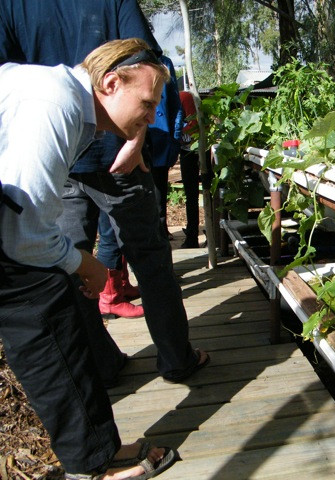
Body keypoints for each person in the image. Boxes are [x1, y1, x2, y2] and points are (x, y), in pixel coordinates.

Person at [0, 0, 210, 382]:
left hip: (54, 153)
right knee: (149, 256)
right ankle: (177, 358)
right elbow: (150, 65)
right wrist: (137, 136)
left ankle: (102, 363)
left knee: (68, 261)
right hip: (108, 148)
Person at [0, 38, 178, 480]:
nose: (151, 117)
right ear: (111, 82)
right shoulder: (53, 104)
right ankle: (94, 465)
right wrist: (86, 264)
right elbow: (22, 237)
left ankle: (98, 451)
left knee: (54, 303)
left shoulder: (75, 110)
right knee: (44, 317)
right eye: (148, 102)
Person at [149, 55, 183, 240]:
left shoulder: (164, 62)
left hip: (160, 143)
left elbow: (175, 105)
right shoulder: (123, 58)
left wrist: (174, 139)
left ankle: (161, 235)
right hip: (131, 140)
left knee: (158, 196)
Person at [179, 90, 202, 248]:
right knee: (191, 194)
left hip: (195, 149)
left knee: (194, 194)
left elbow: (194, 125)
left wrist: (176, 132)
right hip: (186, 149)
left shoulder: (183, 97)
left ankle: (194, 235)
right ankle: (192, 234)